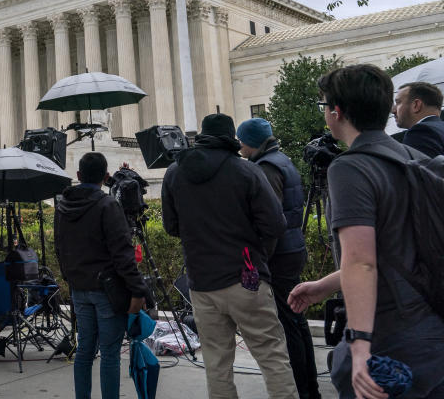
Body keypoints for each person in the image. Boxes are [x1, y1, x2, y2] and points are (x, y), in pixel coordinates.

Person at [290, 64, 444, 398]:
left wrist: (360, 346)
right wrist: (327, 284)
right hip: (431, 333)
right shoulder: (413, 158)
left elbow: (361, 261)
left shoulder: (350, 167)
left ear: (336, 112)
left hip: (390, 341)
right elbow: (394, 247)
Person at [162, 113, 296, 399]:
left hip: (201, 282)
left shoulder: (174, 173)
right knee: (272, 358)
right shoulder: (246, 171)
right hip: (246, 279)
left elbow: (171, 227)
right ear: (231, 138)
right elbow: (275, 224)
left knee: (217, 365)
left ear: (201, 136)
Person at [237, 118, 321, 399]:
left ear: (252, 142)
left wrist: (260, 261)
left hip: (280, 255)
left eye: (242, 141)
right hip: (292, 249)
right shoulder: (280, 160)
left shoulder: (266, 168)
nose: (239, 146)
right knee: (297, 321)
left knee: (288, 327)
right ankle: (311, 389)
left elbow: (270, 221)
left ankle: (301, 389)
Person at [54, 152, 148, 399]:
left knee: (85, 351)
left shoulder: (62, 207)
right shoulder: (108, 205)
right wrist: (138, 289)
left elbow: (59, 249)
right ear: (106, 178)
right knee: (109, 353)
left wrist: (70, 278)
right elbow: (123, 254)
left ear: (78, 176)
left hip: (79, 288)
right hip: (107, 289)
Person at [393, 80, 444, 157]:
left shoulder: (420, 132)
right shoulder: (440, 128)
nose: (393, 110)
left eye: (398, 102)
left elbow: (424, 168)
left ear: (416, 105)